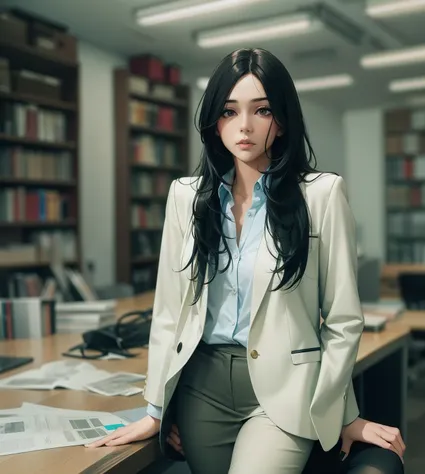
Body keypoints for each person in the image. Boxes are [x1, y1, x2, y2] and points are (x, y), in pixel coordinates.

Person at [87, 48, 405, 474]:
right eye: (230, 111)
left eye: (262, 110)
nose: (245, 126)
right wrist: (157, 409)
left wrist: (340, 413)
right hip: (204, 389)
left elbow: (344, 320)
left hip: (284, 391)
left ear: (283, 120)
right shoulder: (186, 197)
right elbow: (169, 313)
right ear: (214, 121)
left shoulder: (321, 195)